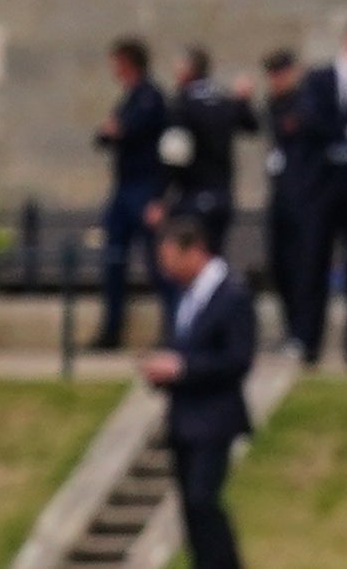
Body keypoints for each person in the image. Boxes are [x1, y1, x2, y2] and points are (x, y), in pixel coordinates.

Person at [141, 214, 255, 569]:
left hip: (214, 419)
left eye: (171, 260)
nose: (167, 271)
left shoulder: (231, 295)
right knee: (191, 510)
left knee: (203, 499)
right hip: (184, 420)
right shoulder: (186, 297)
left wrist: (184, 368)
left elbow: (237, 359)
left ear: (194, 252)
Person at [279, 21, 347, 365]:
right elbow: (311, 121)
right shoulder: (320, 80)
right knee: (314, 262)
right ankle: (307, 341)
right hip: (322, 186)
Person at [92, 37, 168, 348]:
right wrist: (113, 131)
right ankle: (110, 331)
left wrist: (116, 130)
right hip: (123, 190)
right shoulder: (129, 98)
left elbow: (128, 130)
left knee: (158, 263)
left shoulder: (150, 96)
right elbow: (104, 136)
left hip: (145, 188)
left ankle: (174, 330)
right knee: (113, 260)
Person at [155, 46, 254, 263]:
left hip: (193, 195)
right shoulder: (223, 99)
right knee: (216, 257)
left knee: (189, 259)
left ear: (188, 70)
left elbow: (175, 156)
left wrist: (161, 196)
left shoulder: (182, 104)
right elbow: (250, 125)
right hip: (222, 195)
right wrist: (244, 100)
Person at [255, 48, 313, 345]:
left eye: (280, 73)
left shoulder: (304, 102)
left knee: (300, 266)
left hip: (301, 196)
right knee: (279, 266)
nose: (275, 80)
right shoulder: (273, 104)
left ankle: (301, 332)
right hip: (279, 194)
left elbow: (294, 129)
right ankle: (290, 328)